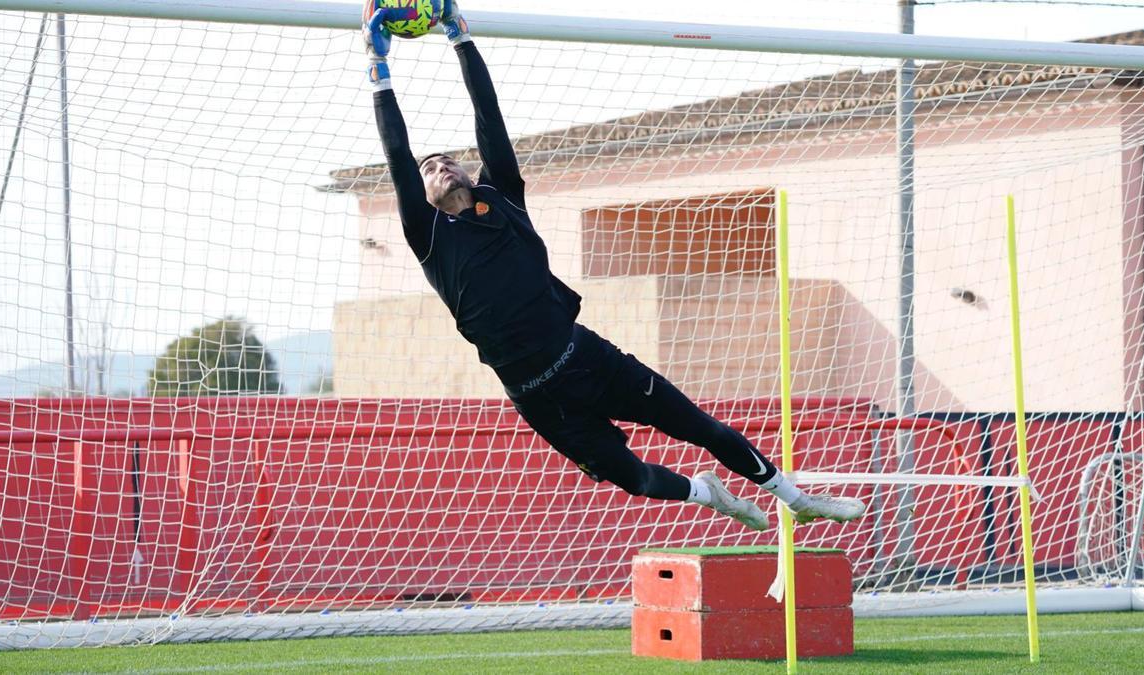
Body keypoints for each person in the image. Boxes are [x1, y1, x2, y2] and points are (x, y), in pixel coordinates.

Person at [363, 1, 865, 531]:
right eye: (429, 169)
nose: (440, 166)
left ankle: (796, 498)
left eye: (448, 159)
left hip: (586, 357)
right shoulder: (429, 237)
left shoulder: (503, 196)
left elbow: (488, 115)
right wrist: (378, 67)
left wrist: (460, 37)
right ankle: (709, 495)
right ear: (422, 196)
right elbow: (397, 153)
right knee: (635, 479)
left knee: (700, 427)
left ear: (470, 173)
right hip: (538, 397)